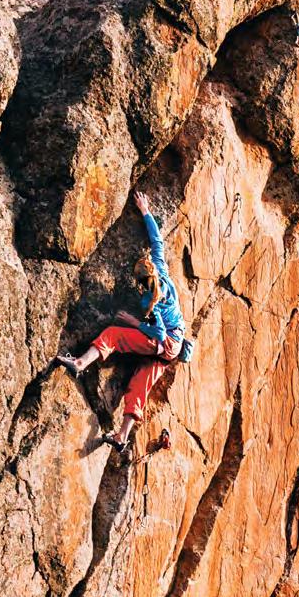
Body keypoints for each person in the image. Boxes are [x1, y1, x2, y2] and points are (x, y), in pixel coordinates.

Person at [56, 188, 185, 455]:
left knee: (114, 334)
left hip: (165, 342)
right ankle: (121, 437)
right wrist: (145, 211)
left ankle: (80, 363)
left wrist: (135, 323)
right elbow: (157, 241)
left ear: (141, 282)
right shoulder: (162, 272)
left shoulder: (151, 301)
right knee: (140, 385)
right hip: (173, 346)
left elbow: (159, 334)